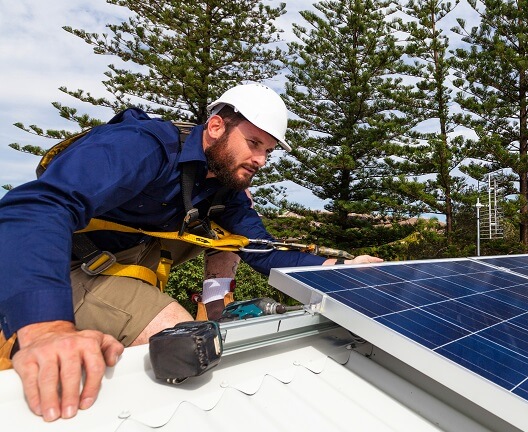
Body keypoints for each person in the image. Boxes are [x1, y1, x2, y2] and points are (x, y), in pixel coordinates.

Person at [0, 83, 382, 422]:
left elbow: (260, 250)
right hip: (68, 268)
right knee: (185, 343)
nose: (261, 161)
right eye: (253, 143)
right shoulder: (143, 145)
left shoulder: (225, 189)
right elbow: (37, 208)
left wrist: (334, 267)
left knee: (229, 236)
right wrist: (46, 328)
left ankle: (215, 311)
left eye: (268, 150)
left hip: (130, 262)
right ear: (216, 127)